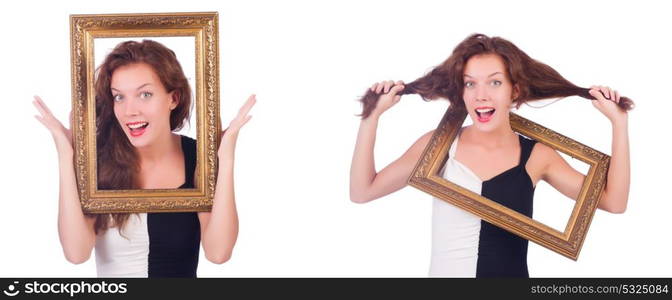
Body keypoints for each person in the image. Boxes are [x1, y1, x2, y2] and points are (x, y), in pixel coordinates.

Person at [349, 34, 631, 277]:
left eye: (494, 83)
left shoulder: (537, 156)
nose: (480, 95)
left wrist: (619, 124)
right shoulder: (437, 148)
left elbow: (613, 202)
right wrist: (370, 118)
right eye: (470, 83)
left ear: (514, 90)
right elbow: (363, 191)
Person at [33, 40, 255, 277]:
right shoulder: (98, 161)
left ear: (174, 98)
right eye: (119, 97)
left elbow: (218, 252)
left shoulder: (197, 157)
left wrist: (226, 157)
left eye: (145, 94)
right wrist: (67, 156)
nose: (130, 111)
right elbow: (76, 253)